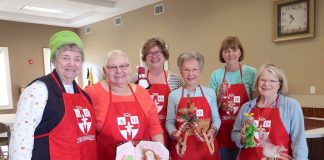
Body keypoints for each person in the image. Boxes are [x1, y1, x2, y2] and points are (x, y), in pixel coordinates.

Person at [9, 30, 96, 159]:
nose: (72, 64)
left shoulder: (85, 96)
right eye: (66, 57)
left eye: (77, 59)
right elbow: (21, 140)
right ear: (54, 60)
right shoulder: (38, 91)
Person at [85, 50, 164, 159]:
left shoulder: (142, 93)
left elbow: (155, 129)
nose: (119, 71)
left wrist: (160, 154)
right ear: (105, 70)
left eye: (123, 66)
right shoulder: (92, 92)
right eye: (112, 67)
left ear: (130, 68)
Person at [232, 63, 308, 159]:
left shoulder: (291, 106)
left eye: (272, 81)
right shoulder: (246, 107)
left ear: (280, 84)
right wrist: (242, 138)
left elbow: (299, 142)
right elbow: (235, 134)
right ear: (257, 82)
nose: (266, 84)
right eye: (263, 80)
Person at [208, 36, 257, 160]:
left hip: (244, 128)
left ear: (240, 52)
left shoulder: (251, 72)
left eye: (234, 50)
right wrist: (220, 94)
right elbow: (211, 108)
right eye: (226, 51)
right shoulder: (216, 75)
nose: (230, 54)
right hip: (222, 129)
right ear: (222, 54)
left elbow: (256, 103)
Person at [166, 51, 221, 160]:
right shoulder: (174, 95)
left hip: (206, 147)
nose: (190, 74)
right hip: (183, 147)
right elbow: (169, 122)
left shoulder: (209, 93)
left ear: (200, 71)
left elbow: (216, 119)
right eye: (186, 69)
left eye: (194, 69)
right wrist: (175, 135)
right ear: (181, 72)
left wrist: (212, 131)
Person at [130, 37, 183, 148]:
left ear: (164, 55)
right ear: (145, 57)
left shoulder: (176, 80)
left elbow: (182, 108)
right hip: (143, 133)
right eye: (149, 53)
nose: (154, 56)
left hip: (169, 132)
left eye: (157, 52)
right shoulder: (136, 79)